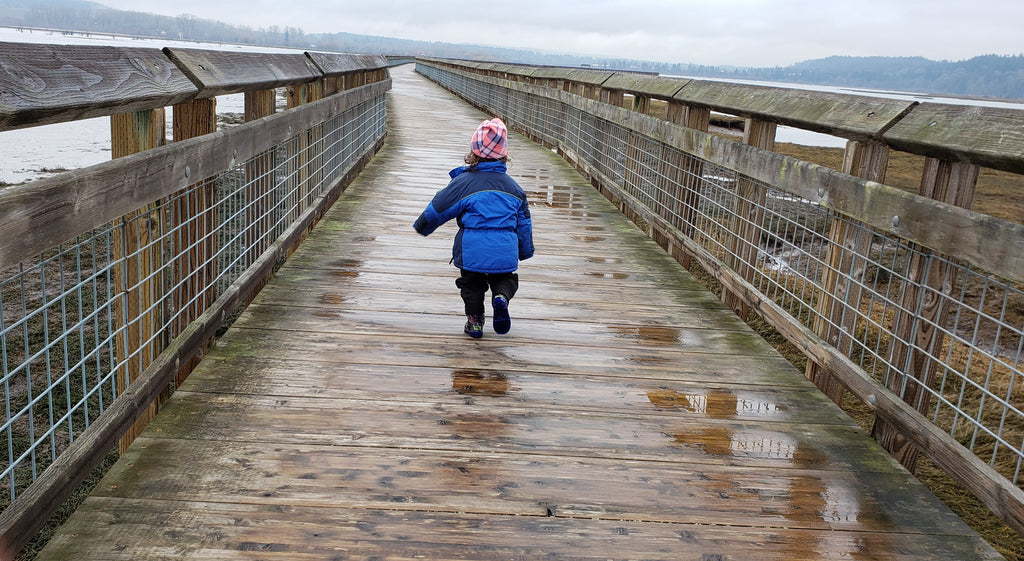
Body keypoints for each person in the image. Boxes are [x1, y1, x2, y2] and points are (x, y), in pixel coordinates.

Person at [414, 118, 534, 338]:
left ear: (474, 152)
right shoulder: (514, 189)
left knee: (471, 284)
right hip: (504, 249)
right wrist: (524, 251)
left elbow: (439, 208)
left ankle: (475, 321)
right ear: (504, 154)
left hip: (472, 250)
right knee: (505, 278)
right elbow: (524, 223)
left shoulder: (464, 183)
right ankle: (501, 298)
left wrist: (422, 226)